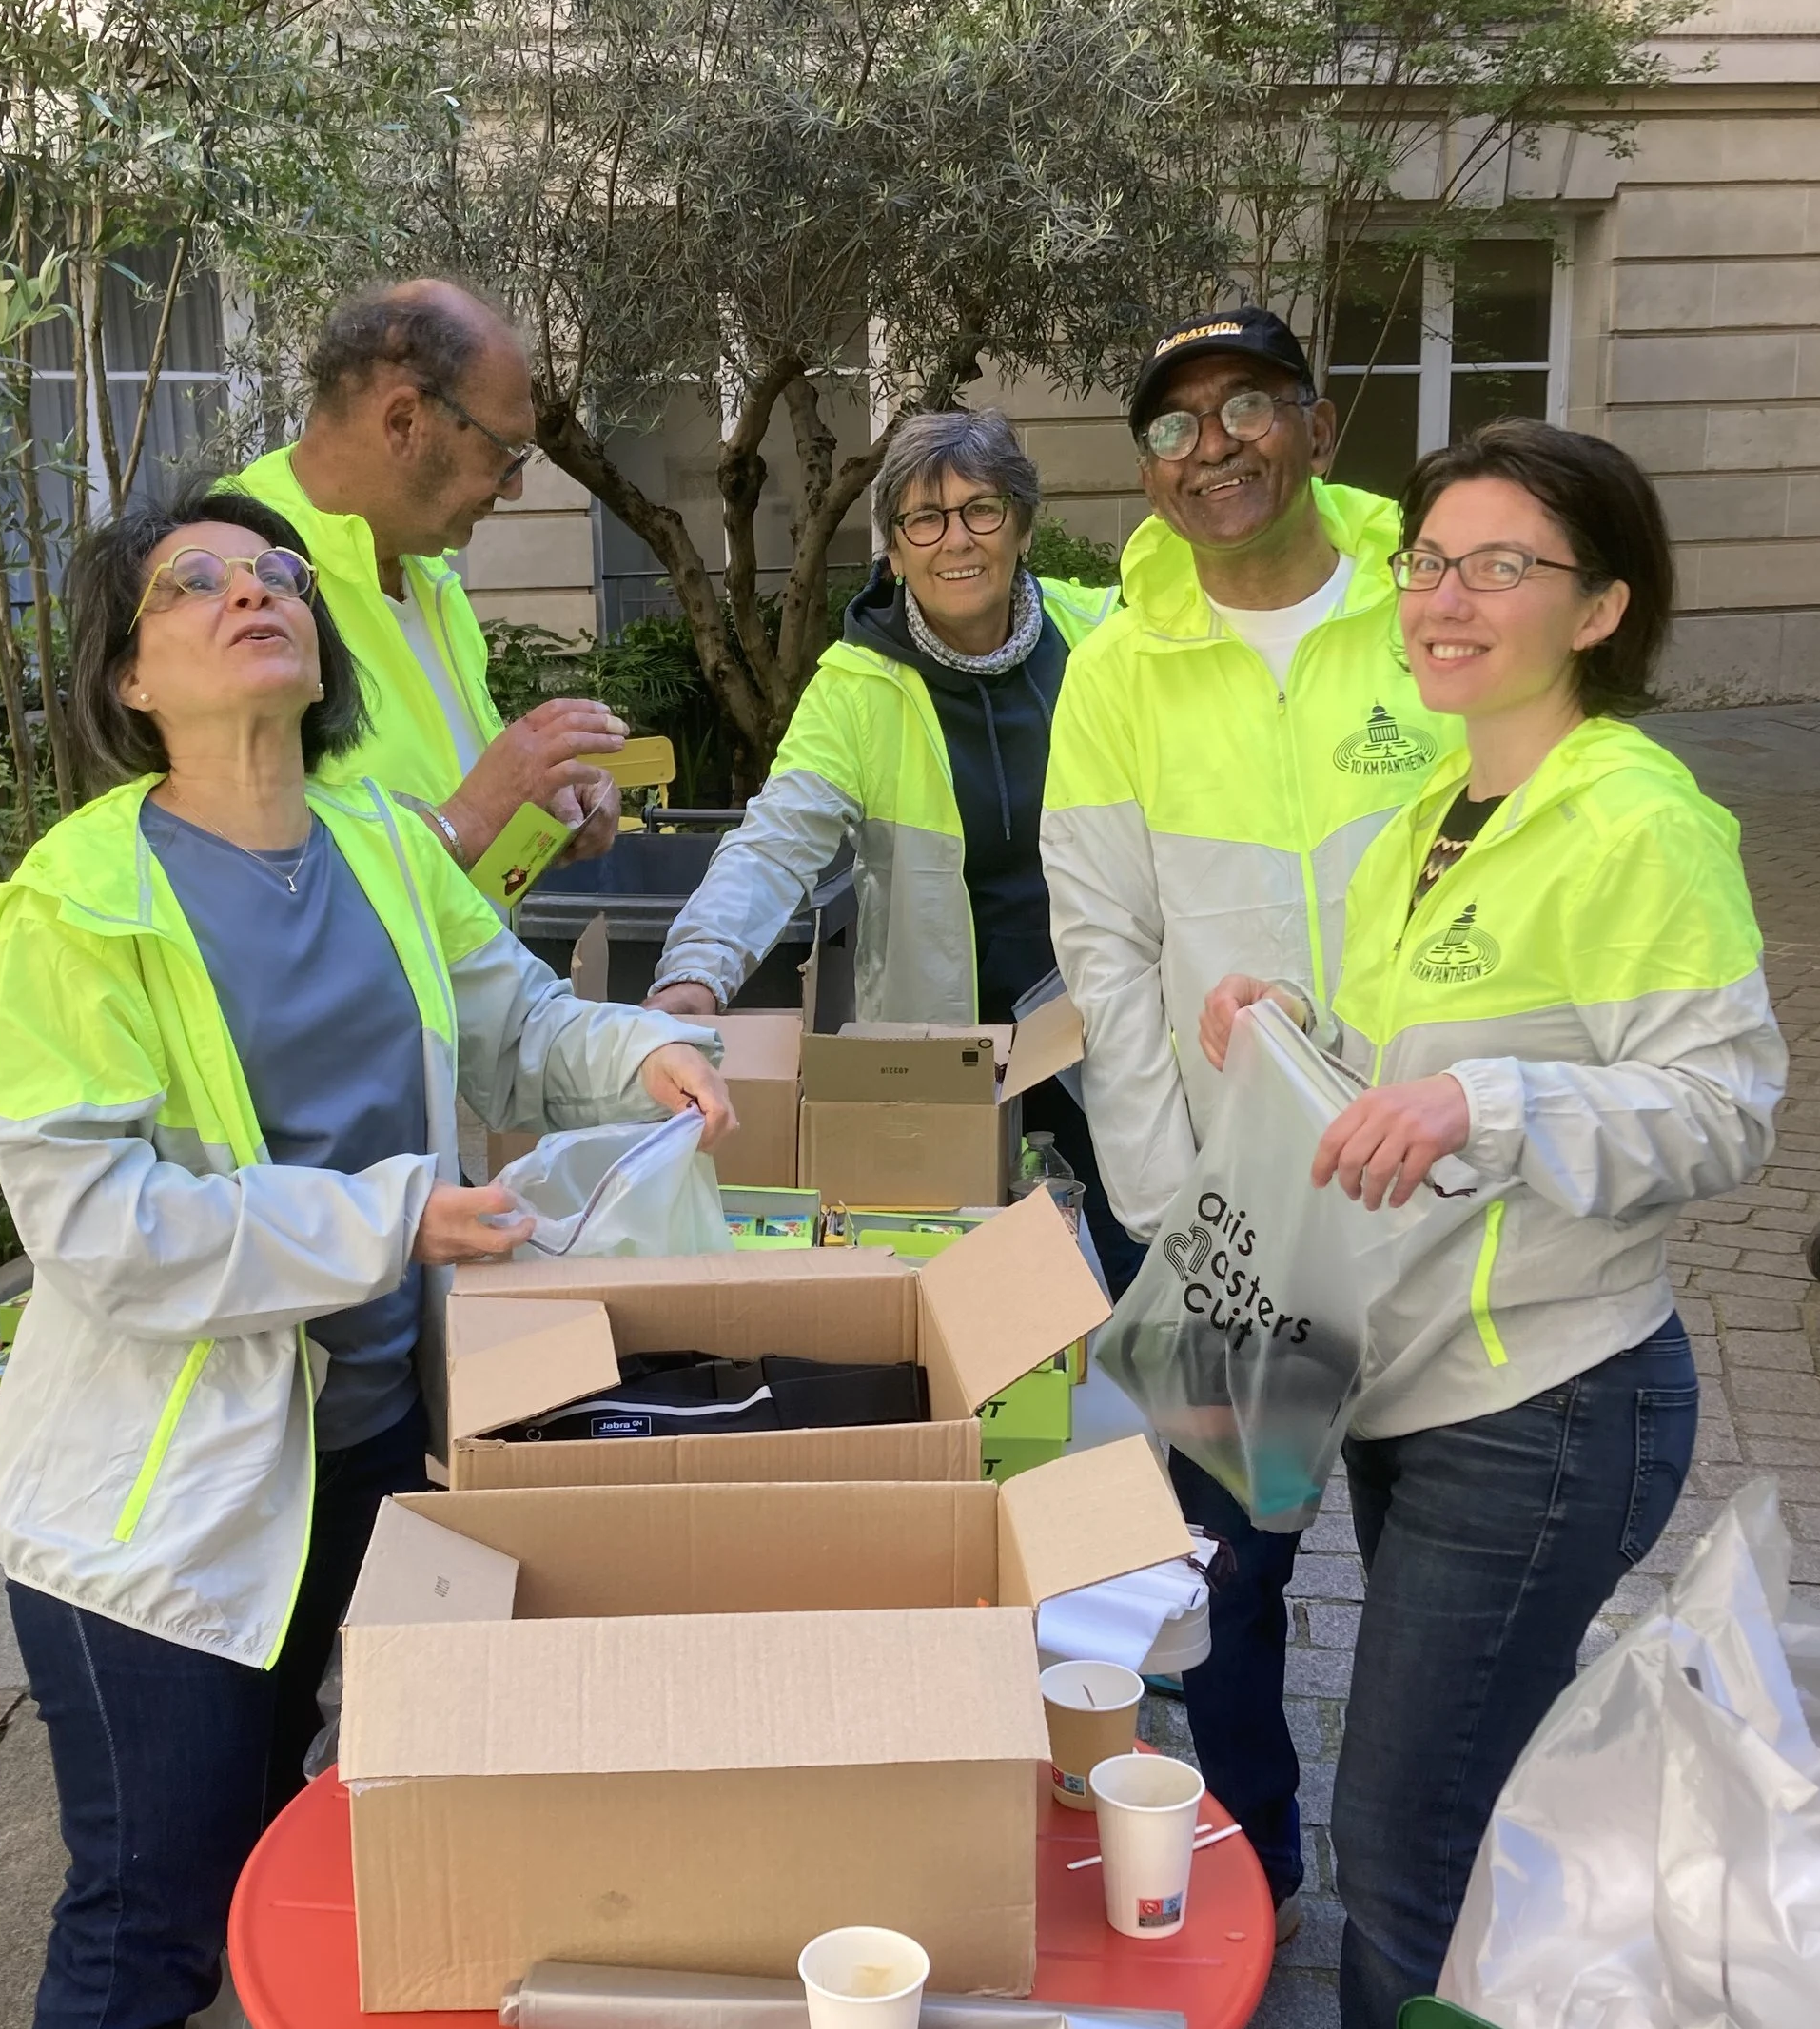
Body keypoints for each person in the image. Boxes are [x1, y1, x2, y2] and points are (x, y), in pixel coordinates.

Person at [0, 483, 731, 2029]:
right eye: (193, 586)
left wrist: (642, 1046)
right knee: (139, 1929)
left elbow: (507, 1022)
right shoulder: (81, 903)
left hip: (371, 1453)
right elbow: (101, 1230)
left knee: (325, 1867)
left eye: (273, 573)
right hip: (160, 1529)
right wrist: (385, 1216)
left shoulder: (383, 840)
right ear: (127, 675)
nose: (255, 598)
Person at [1197, 420, 1784, 2029]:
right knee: (1432, 1834)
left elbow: (1721, 1108)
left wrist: (1486, 1113)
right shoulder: (1417, 820)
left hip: (1545, 1410)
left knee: (1402, 1839)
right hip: (1411, 1384)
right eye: (1427, 557)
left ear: (1600, 608)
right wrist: (1307, 1038)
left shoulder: (1641, 816)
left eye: (1498, 565)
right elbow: (1405, 1076)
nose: (1439, 597)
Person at [1042, 307, 1452, 1941]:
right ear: (1143, 471)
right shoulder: (1122, 672)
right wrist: (1158, 1182)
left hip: (1434, 1178)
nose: (1211, 448)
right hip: (1233, 1192)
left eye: (1244, 411)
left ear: (1320, 425)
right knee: (1237, 1564)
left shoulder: (1433, 616)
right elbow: (1107, 946)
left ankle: (1424, 1896)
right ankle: (1255, 1866)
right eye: (1172, 425)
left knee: (1430, 1567)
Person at [644, 407, 1126, 1271]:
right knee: (968, 1290)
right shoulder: (857, 686)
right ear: (895, 549)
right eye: (925, 519)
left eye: (981, 509)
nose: (957, 541)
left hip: (1107, 1029)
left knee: (1134, 1268)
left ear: (1020, 524)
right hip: (942, 1055)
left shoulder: (1101, 641)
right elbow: (774, 840)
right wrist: (695, 972)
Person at [221, 278, 627, 874]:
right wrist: (468, 818)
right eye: (505, 452)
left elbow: (467, 873)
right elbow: (242, 877)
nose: (515, 488)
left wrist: (542, 818)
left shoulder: (426, 570)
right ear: (405, 422)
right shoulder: (228, 572)